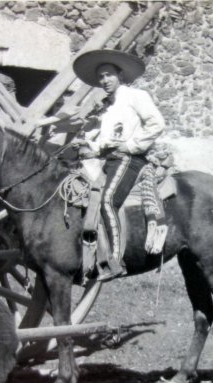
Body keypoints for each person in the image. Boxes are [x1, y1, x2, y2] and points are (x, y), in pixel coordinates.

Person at [71, 49, 166, 281]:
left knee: (107, 200)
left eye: (108, 75)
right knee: (83, 195)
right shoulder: (107, 108)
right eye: (101, 77)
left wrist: (132, 145)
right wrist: (86, 147)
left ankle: (115, 262)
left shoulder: (136, 96)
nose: (104, 81)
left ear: (120, 75)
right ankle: (89, 255)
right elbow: (105, 143)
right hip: (109, 159)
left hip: (129, 159)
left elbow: (157, 123)